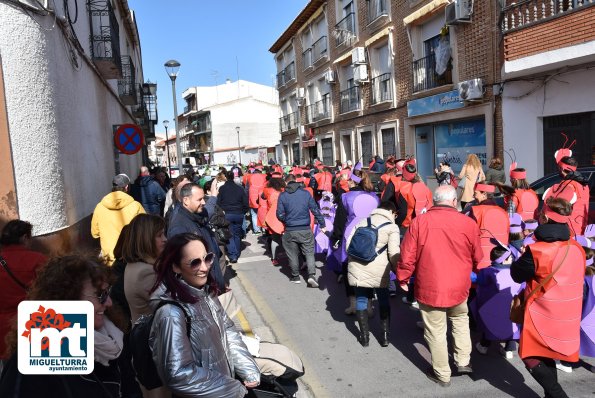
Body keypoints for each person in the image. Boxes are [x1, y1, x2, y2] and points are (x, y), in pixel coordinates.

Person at [0, 254, 142, 397]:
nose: (109, 302)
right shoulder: (34, 358)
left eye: (107, 292)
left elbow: (131, 390)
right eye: (100, 295)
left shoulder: (112, 339)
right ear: (68, 299)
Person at [149, 234, 260, 397]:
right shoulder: (171, 313)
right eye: (195, 262)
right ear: (176, 267)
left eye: (207, 258)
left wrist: (247, 367)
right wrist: (232, 388)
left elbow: (227, 329)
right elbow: (178, 374)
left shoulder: (206, 292)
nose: (205, 267)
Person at [397, 185, 482, 388]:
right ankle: (463, 361)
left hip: (430, 284)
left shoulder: (419, 222)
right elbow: (478, 255)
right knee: (460, 320)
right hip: (459, 284)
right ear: (454, 202)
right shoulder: (467, 223)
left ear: (434, 201)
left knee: (435, 330)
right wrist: (479, 273)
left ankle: (442, 373)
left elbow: (407, 255)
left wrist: (403, 278)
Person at [511, 197, 585, 398]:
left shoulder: (538, 250)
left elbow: (516, 274)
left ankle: (558, 395)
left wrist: (522, 256)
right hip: (568, 313)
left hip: (541, 313)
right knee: (547, 353)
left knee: (529, 355)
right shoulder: (576, 248)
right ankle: (550, 395)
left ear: (543, 217)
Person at [346, 201, 400, 347]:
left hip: (357, 266)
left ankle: (364, 337)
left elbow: (348, 245)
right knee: (383, 299)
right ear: (391, 212)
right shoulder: (392, 227)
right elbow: (394, 253)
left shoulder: (362, 221)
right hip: (380, 270)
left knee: (362, 299)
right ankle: (384, 337)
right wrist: (397, 270)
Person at [331, 165, 380, 315]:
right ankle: (370, 305)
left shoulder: (345, 197)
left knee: (348, 271)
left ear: (352, 182)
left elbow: (339, 221)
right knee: (369, 270)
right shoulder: (374, 197)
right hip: (371, 236)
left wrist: (335, 238)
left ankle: (353, 305)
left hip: (350, 237)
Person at [0, 220, 47, 366]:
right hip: (33, 323)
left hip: (4, 329)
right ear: (25, 238)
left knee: (10, 371)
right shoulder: (39, 260)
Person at [167, 183, 225, 291]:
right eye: (199, 199)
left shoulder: (197, 215)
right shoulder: (179, 227)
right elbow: (183, 266)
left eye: (203, 198)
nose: (203, 202)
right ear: (186, 200)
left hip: (213, 284)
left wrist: (213, 197)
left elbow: (208, 210)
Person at [472, 244, 521, 359]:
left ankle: (484, 346)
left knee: (489, 325)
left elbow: (478, 280)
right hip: (512, 308)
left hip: (492, 308)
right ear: (505, 260)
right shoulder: (517, 273)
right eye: (510, 257)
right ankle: (509, 350)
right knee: (512, 326)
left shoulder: (488, 272)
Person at [277, 174, 327, 287]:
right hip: (305, 228)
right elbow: (315, 209)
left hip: (290, 229)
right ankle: (311, 275)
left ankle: (295, 276)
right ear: (296, 181)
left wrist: (287, 220)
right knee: (309, 252)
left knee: (292, 254)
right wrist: (322, 224)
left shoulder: (283, 195)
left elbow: (279, 214)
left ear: (286, 183)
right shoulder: (305, 193)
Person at [91, 173, 145, 265]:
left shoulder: (99, 207)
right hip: (130, 258)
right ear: (127, 187)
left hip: (108, 259)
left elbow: (95, 234)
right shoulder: (136, 206)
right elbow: (145, 231)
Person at [543, 155, 590, 236]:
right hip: (582, 227)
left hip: (569, 230)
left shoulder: (568, 185)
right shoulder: (584, 185)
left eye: (558, 167)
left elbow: (558, 208)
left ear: (562, 168)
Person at [468, 183, 510, 269]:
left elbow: (469, 237)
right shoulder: (504, 212)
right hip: (501, 260)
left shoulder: (476, 211)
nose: (473, 196)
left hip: (480, 262)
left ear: (484, 194)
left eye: (475, 193)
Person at [217, 170, 249, 264]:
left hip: (227, 213)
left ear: (226, 177)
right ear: (233, 177)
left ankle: (233, 254)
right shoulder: (239, 188)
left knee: (229, 234)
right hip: (238, 213)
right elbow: (245, 203)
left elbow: (218, 203)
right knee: (237, 234)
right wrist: (243, 212)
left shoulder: (222, 189)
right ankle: (236, 252)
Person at [247, 168, 267, 234]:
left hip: (252, 197)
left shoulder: (250, 177)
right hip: (262, 197)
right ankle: (264, 229)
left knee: (254, 215)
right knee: (263, 214)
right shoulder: (263, 177)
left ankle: (256, 230)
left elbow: (246, 189)